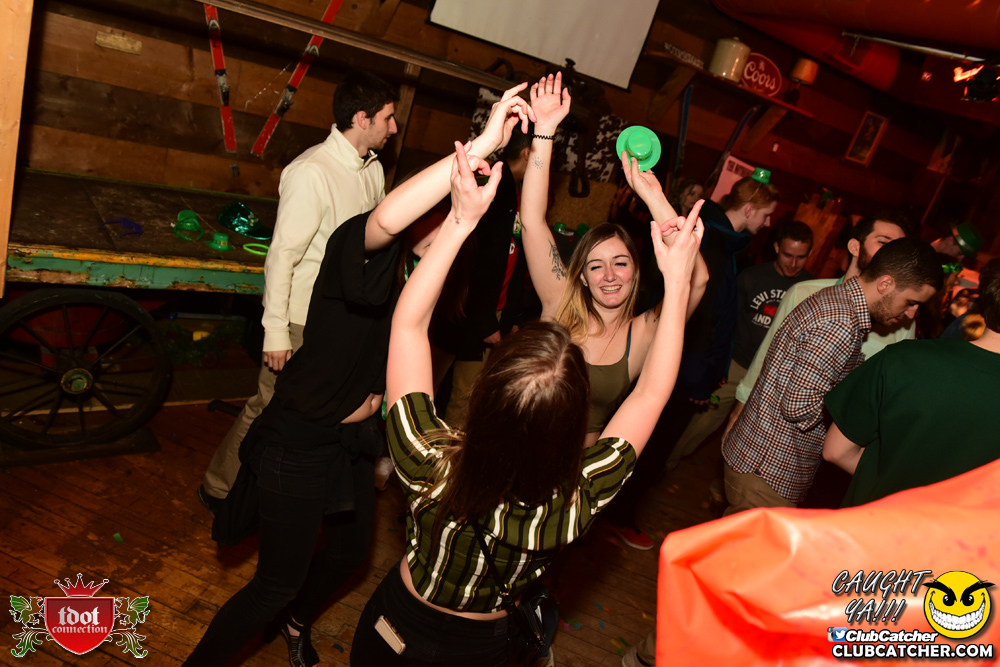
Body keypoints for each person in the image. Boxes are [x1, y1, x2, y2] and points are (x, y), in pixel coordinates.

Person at [183, 86, 534, 667]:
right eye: (433, 211)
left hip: (351, 445)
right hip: (301, 441)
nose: (439, 220)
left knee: (348, 557)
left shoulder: (419, 291)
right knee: (274, 583)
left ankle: (296, 623)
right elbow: (387, 217)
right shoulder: (357, 258)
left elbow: (449, 266)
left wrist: (464, 218)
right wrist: (483, 144)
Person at [349, 130, 705, 666]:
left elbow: (408, 327)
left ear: (486, 392)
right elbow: (652, 396)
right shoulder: (573, 504)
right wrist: (675, 283)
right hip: (481, 650)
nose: (609, 276)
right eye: (596, 265)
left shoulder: (426, 460)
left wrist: (458, 222)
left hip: (398, 627)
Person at [516, 73, 709, 549]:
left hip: (576, 481)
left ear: (637, 271)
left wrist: (652, 195)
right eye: (596, 266)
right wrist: (544, 133)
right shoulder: (558, 303)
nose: (608, 276)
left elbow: (697, 279)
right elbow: (533, 220)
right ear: (581, 276)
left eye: (620, 263)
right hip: (517, 455)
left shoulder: (645, 333)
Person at [198, 70, 397, 510]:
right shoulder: (311, 172)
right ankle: (219, 489)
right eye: (388, 117)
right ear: (362, 118)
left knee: (317, 416)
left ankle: (278, 494)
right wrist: (275, 332)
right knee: (267, 406)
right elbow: (282, 256)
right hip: (300, 320)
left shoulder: (373, 170)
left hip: (340, 321)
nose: (394, 127)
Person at [721, 238, 943, 514]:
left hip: (760, 462)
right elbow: (798, 406)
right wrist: (857, 424)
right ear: (885, 284)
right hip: (767, 473)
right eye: (910, 302)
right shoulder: (840, 323)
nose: (911, 313)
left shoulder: (838, 302)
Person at [823, 258, 1000, 507]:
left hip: (870, 521)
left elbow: (836, 451)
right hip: (959, 531)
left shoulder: (903, 359)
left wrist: (888, 483)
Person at [724, 216, 913, 440]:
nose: (892, 255)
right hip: (774, 432)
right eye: (883, 242)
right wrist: (740, 407)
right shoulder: (804, 292)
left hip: (839, 442)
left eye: (898, 249)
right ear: (855, 247)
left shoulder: (901, 322)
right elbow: (768, 355)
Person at [665, 220, 814, 470]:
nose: (793, 263)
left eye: (801, 257)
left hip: (772, 375)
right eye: (788, 255)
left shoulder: (810, 289)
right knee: (705, 421)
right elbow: (725, 323)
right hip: (736, 364)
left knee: (750, 434)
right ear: (777, 247)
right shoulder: (751, 277)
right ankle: (668, 462)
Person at [433, 126, 532, 428]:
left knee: (468, 396)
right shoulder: (496, 186)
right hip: (465, 313)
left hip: (493, 312)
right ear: (528, 153)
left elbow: (517, 258)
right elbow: (477, 259)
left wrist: (511, 315)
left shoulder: (520, 192)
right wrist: (485, 320)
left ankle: (451, 453)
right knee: (432, 390)